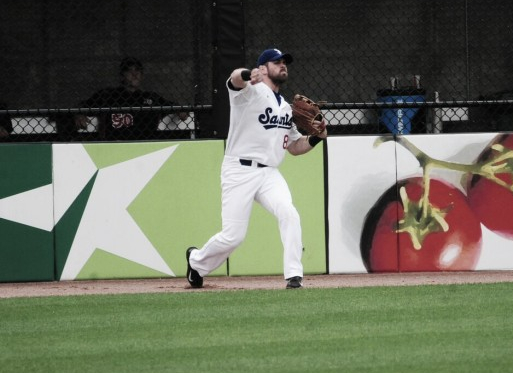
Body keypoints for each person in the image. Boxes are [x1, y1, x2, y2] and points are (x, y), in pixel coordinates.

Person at [186, 48, 327, 289]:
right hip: (239, 169)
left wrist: (317, 137)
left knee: (289, 213)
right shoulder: (249, 91)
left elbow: (294, 147)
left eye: (284, 62)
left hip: (269, 173)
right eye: (276, 62)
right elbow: (233, 79)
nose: (283, 65)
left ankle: (294, 276)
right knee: (233, 236)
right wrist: (245, 74)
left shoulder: (285, 107)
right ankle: (196, 261)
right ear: (262, 68)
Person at [73, 57, 188, 140]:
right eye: (129, 70)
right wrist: (79, 113)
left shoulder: (150, 97)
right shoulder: (108, 95)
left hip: (145, 146)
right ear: (122, 75)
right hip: (113, 146)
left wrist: (180, 109)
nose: (134, 74)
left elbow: (172, 105)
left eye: (137, 70)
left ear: (142, 75)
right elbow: (82, 105)